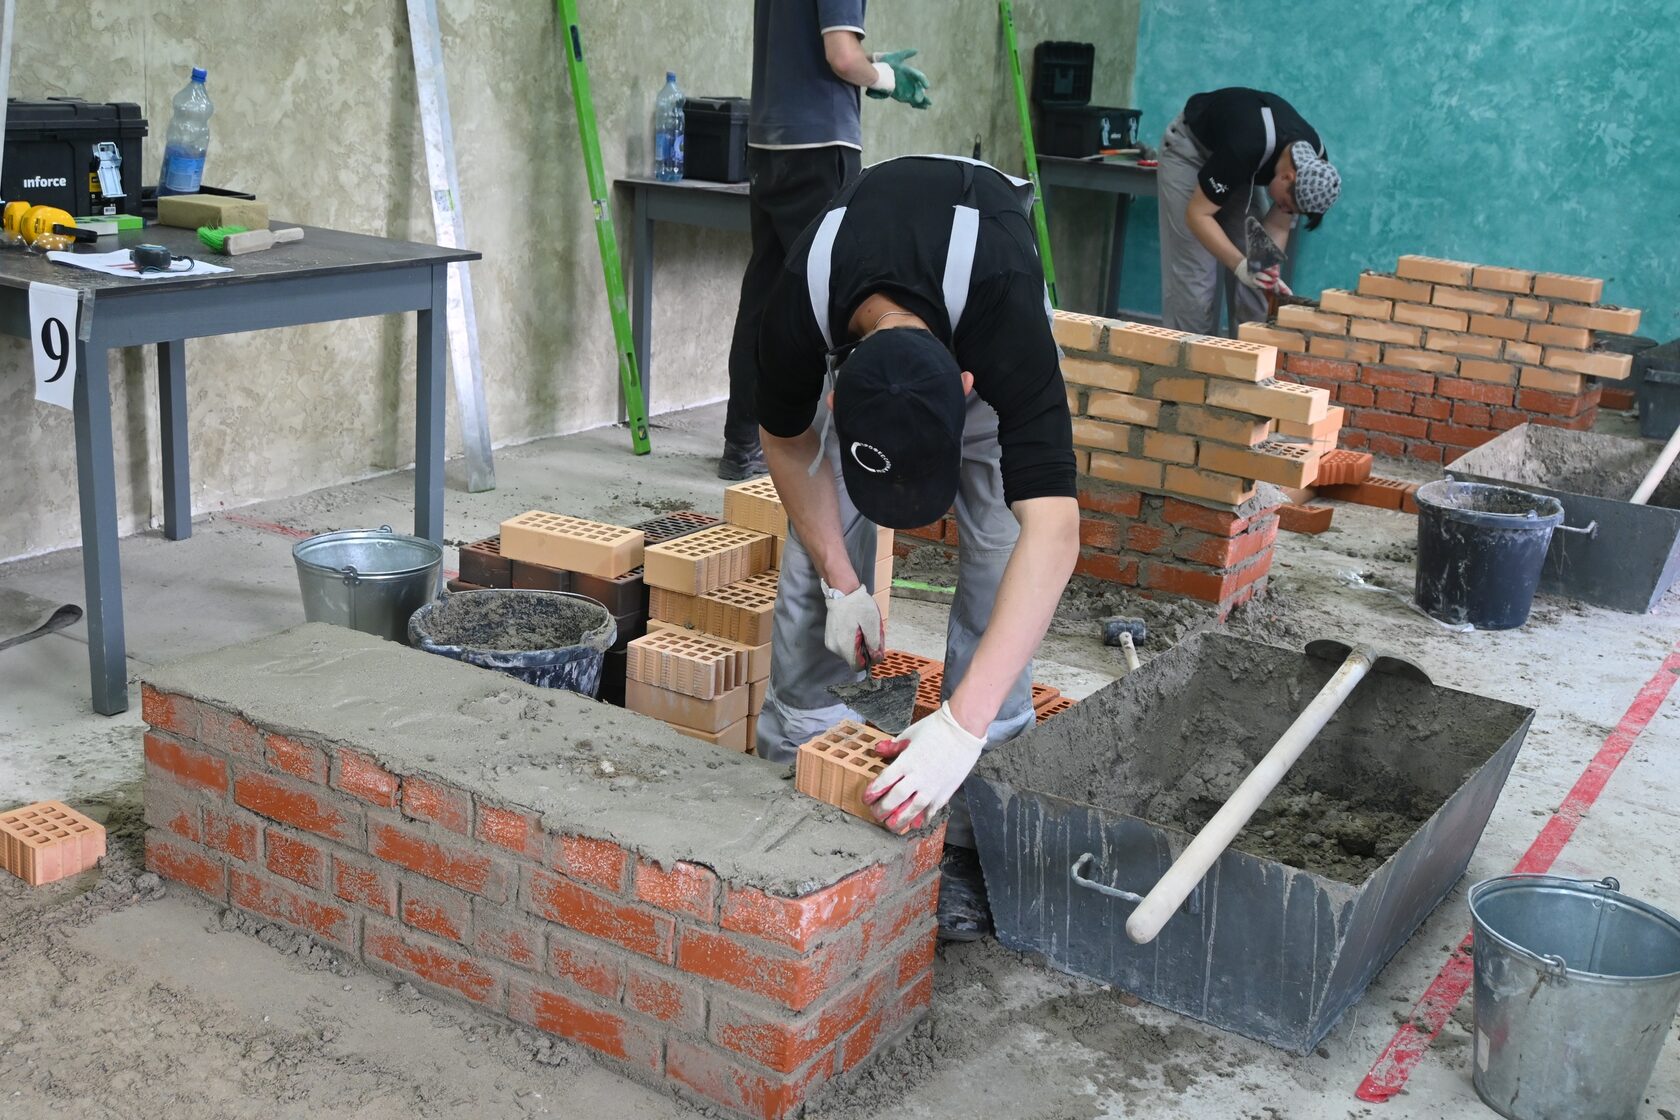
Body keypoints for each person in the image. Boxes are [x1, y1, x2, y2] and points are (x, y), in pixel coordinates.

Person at [753, 155, 1080, 940]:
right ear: (839, 396)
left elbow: (1055, 532)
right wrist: (840, 581)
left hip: (980, 305)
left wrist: (961, 726)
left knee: (1000, 565)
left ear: (965, 388)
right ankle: (796, 762)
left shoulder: (1006, 327)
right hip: (871, 331)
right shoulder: (799, 304)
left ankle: (969, 829)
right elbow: (787, 441)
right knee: (813, 556)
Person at [718, 0, 932, 480]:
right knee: (837, 297)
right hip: (819, 147)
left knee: (764, 296)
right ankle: (847, 449)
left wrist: (873, 61)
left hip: (767, 144)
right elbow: (841, 56)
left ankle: (741, 445)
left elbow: (807, 48)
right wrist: (884, 78)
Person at [1156, 87, 1341, 335]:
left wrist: (1266, 270)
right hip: (1191, 152)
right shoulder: (1247, 145)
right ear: (1287, 177)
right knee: (1196, 282)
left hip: (1238, 168)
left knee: (1259, 284)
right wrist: (1240, 266)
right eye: (1286, 204)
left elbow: (1277, 225)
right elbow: (1198, 215)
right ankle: (1189, 355)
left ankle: (1250, 353)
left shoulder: (1314, 163)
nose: (1285, 209)